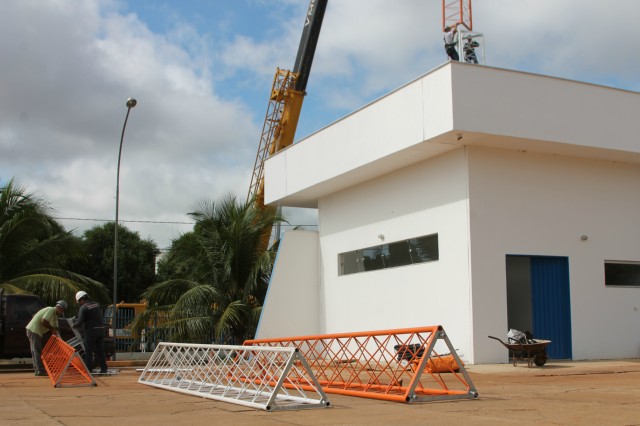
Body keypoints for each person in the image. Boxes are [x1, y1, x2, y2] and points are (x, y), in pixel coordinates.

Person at [26, 300, 67, 376]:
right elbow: (43, 321)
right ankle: (40, 370)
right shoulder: (51, 309)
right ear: (59, 308)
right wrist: (52, 329)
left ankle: (37, 370)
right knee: (37, 350)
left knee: (35, 351)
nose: (62, 312)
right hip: (34, 330)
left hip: (36, 331)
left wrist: (60, 340)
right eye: (62, 310)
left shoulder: (55, 316)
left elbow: (57, 328)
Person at [72, 291, 108, 374]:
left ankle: (88, 369)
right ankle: (104, 369)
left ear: (81, 300)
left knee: (88, 351)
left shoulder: (83, 307)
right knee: (100, 351)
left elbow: (80, 321)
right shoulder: (97, 304)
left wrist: (74, 325)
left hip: (91, 331)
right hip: (101, 331)